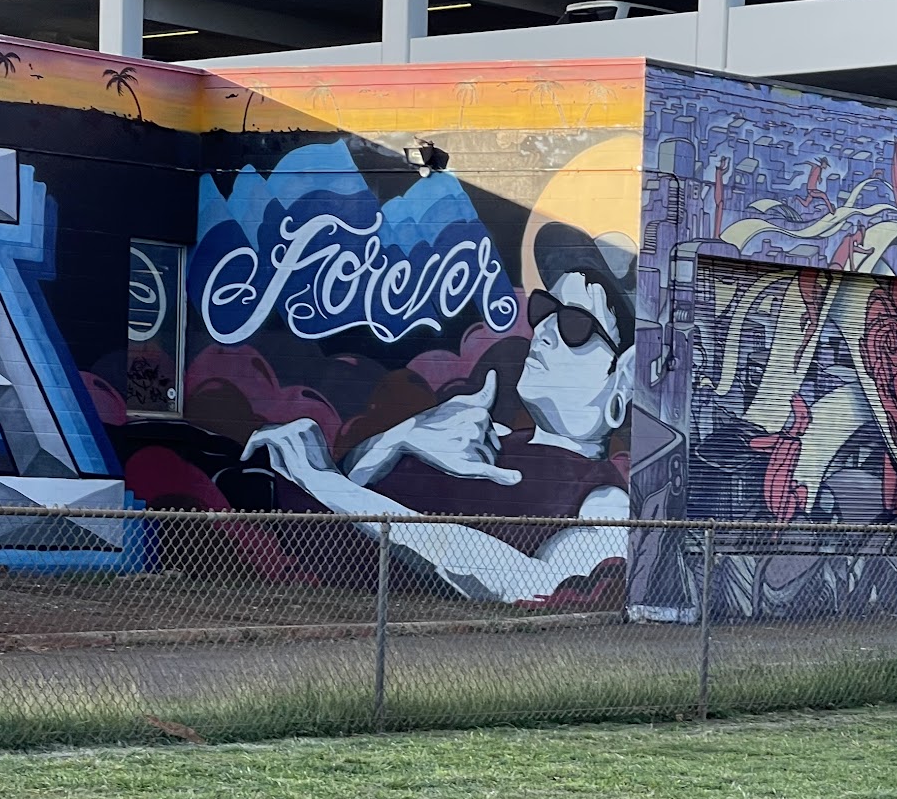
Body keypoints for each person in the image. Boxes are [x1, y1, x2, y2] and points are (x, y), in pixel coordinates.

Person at [243, 223, 636, 605]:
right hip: (309, 598)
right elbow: (355, 489)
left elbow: (533, 585)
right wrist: (401, 438)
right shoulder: (479, 434)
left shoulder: (606, 503)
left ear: (621, 382)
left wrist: (325, 482)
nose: (545, 329)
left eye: (575, 323)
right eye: (545, 308)